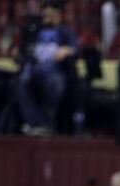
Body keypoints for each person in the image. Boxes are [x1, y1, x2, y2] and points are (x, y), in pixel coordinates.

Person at [16, 1, 77, 136]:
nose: (48, 17)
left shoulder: (65, 32)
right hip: (34, 70)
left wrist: (67, 50)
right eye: (46, 14)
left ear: (59, 16)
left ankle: (45, 122)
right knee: (22, 82)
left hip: (55, 72)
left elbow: (75, 49)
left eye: (52, 15)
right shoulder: (35, 30)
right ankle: (35, 123)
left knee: (54, 84)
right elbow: (23, 48)